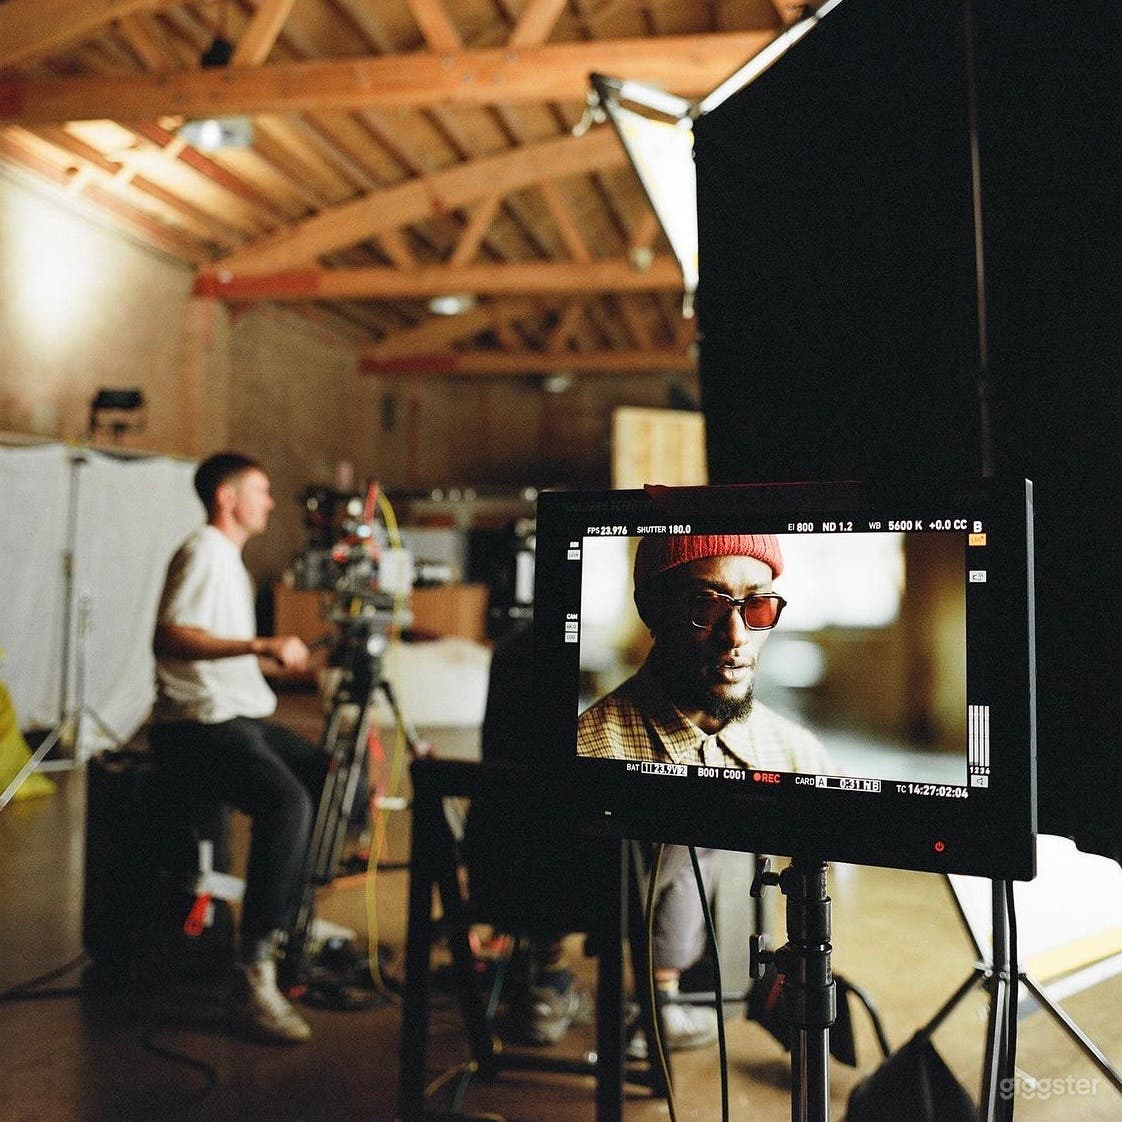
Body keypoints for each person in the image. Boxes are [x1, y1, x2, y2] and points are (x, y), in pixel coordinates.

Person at [577, 532, 832, 1048]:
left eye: (757, 606)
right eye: (705, 605)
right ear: (654, 613)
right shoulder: (593, 750)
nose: (736, 635)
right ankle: (660, 993)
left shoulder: (797, 752)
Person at [149, 452, 325, 1045]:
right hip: (197, 724)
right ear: (227, 497)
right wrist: (259, 643)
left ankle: (290, 925)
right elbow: (170, 635)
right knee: (288, 804)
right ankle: (253, 971)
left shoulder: (228, 560)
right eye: (261, 490)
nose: (270, 502)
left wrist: (267, 656)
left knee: (327, 775)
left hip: (236, 713)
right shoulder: (204, 549)